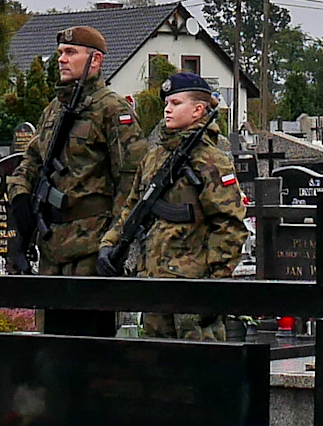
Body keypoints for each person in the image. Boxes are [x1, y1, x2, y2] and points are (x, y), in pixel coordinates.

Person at [112, 71, 249, 335]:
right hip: (153, 284)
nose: (167, 110)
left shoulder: (212, 161)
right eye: (166, 104)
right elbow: (132, 208)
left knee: (197, 367)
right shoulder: (153, 159)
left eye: (176, 103)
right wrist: (110, 245)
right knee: (156, 368)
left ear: (198, 110)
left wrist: (215, 286)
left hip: (192, 288)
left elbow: (230, 226)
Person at [19, 22, 136, 271]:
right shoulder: (54, 109)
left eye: (71, 52)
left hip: (92, 245)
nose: (62, 59)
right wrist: (19, 207)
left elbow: (131, 182)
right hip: (51, 243)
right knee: (48, 310)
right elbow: (31, 161)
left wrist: (115, 242)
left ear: (95, 60)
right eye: (61, 52)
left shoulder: (113, 109)